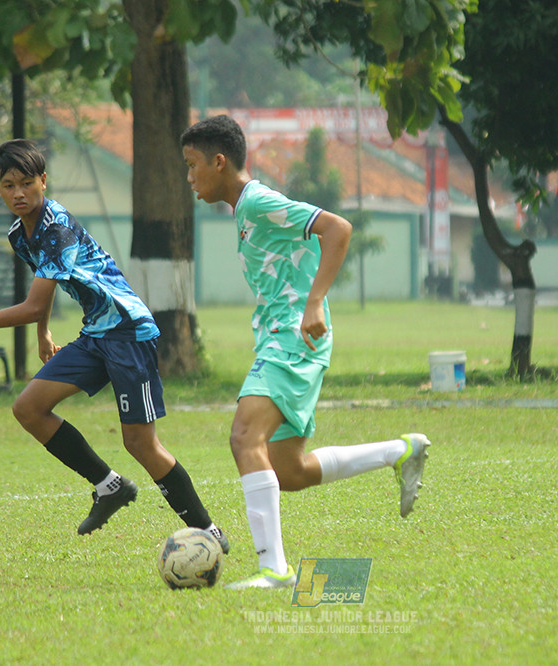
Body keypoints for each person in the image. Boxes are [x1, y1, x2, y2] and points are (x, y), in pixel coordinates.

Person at [0, 139, 228, 551]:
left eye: (27, 183)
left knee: (139, 443)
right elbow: (42, 294)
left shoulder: (56, 228)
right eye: (9, 185)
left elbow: (31, 305)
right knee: (28, 408)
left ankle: (209, 532)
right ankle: (109, 486)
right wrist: (44, 333)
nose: (19, 193)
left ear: (43, 181)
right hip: (96, 333)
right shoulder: (19, 233)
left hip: (127, 333)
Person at [180, 115, 429, 590]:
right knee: (288, 470)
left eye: (193, 166)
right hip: (284, 338)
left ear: (218, 161)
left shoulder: (256, 201)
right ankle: (400, 451)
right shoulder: (243, 208)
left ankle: (274, 570)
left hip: (293, 338)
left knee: (243, 437)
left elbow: (337, 228)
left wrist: (314, 301)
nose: (189, 178)